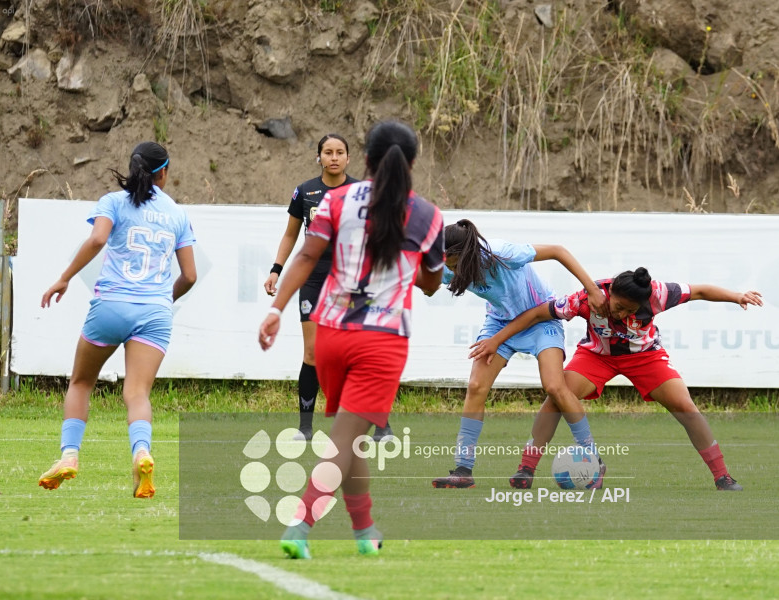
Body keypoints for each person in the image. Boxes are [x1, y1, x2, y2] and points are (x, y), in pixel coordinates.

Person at [259, 120, 444, 558]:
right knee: (345, 439)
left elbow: (306, 255)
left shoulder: (338, 200)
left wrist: (274, 309)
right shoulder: (426, 214)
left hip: (331, 334)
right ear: (413, 163)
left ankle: (365, 532)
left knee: (351, 435)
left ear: (365, 160)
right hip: (381, 340)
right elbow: (431, 282)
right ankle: (300, 525)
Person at [470, 267, 762, 491]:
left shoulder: (659, 293)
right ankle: (525, 470)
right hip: (596, 356)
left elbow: (699, 291)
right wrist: (496, 339)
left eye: (629, 311)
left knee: (685, 407)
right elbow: (537, 314)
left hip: (645, 356)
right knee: (557, 397)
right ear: (609, 294)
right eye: (618, 306)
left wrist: (736, 296)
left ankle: (722, 475)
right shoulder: (587, 298)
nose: (620, 314)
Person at [38, 141, 197, 498]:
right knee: (137, 392)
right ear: (164, 173)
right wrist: (159, 301)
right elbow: (189, 276)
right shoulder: (178, 214)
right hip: (155, 313)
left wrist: (64, 277)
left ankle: (69, 456)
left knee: (81, 382)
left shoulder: (113, 201)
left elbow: (97, 239)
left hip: (111, 306)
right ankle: (142, 452)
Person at [431, 219, 608, 489]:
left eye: (454, 264)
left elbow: (558, 251)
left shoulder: (503, 254)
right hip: (499, 323)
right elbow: (423, 278)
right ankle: (463, 469)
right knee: (476, 386)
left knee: (555, 387)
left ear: (467, 253)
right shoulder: (447, 265)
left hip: (541, 319)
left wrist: (593, 290)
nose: (451, 271)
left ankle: (593, 458)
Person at [264, 134, 394, 443]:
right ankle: (305, 429)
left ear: (348, 158)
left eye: (339, 152)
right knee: (313, 353)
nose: (334, 157)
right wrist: (276, 269)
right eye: (327, 152)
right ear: (319, 157)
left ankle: (382, 427)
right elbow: (290, 235)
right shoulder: (304, 192)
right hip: (314, 278)